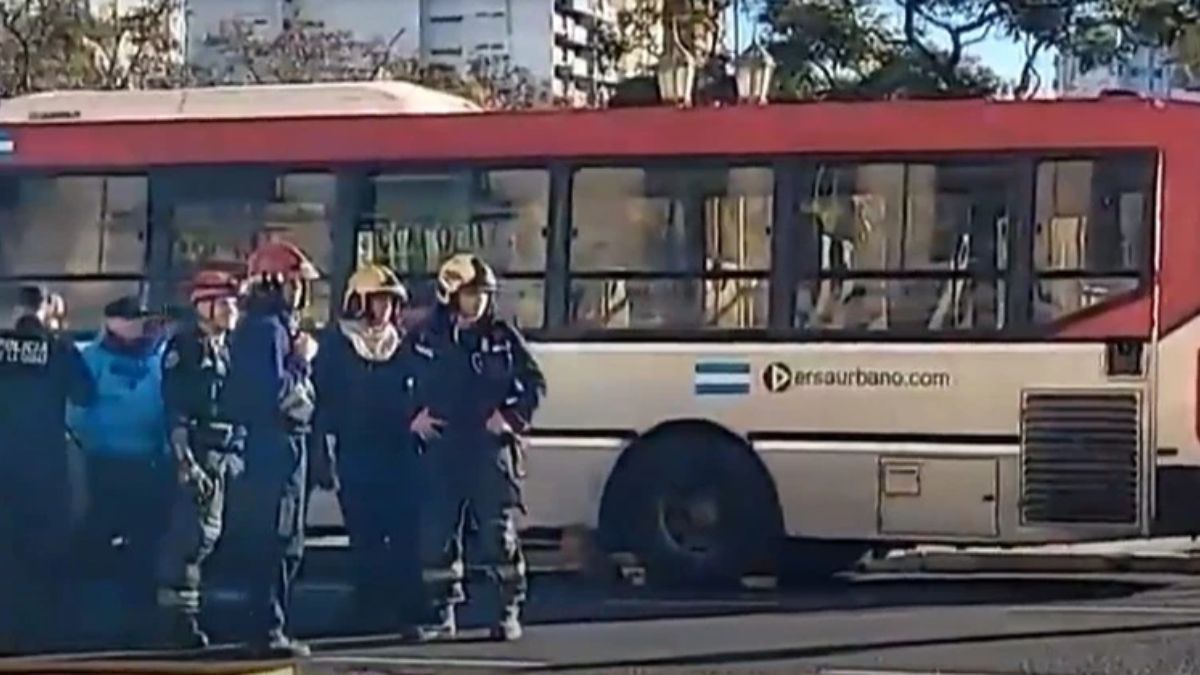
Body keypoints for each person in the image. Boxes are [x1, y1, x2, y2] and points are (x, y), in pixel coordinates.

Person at [408, 253, 546, 641]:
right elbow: (398, 381)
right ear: (450, 294)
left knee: (497, 534)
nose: (479, 301)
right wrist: (413, 417)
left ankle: (506, 612)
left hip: (488, 449)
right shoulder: (425, 337)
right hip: (442, 447)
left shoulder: (502, 336)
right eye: (471, 293)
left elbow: (534, 383)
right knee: (437, 534)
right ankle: (441, 613)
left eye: (483, 294)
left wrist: (511, 417)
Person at [311, 264, 423, 636]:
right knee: (365, 535)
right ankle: (368, 607)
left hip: (400, 452)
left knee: (405, 533)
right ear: (358, 302)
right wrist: (322, 453)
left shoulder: (404, 344)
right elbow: (320, 401)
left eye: (391, 302)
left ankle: (407, 609)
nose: (386, 310)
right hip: (356, 452)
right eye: (378, 301)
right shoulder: (335, 345)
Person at [224, 241, 319, 657]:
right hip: (273, 447)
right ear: (274, 282)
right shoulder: (267, 331)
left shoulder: (274, 327)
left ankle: (267, 627)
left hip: (283, 445)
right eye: (295, 283)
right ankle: (266, 631)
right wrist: (301, 361)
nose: (301, 292)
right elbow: (275, 394)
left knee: (284, 540)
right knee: (276, 539)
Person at [66, 295, 173, 646]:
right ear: (113, 322)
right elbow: (74, 410)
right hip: (104, 465)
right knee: (95, 542)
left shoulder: (160, 357)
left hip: (151, 465)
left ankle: (139, 623)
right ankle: (88, 622)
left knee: (146, 547)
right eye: (136, 319)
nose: (144, 326)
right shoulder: (90, 359)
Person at [154, 267, 246, 649]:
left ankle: (205, 615)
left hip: (230, 453)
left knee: (216, 537)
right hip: (201, 453)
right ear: (203, 306)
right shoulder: (185, 348)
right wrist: (185, 461)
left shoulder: (230, 346)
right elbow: (175, 409)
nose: (231, 309)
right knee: (191, 539)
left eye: (233, 302)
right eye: (223, 302)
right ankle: (177, 624)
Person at [0, 286, 95, 652]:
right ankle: (39, 636)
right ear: (47, 309)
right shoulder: (59, 349)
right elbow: (85, 394)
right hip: (44, 465)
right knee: (44, 550)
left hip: (3, 466)